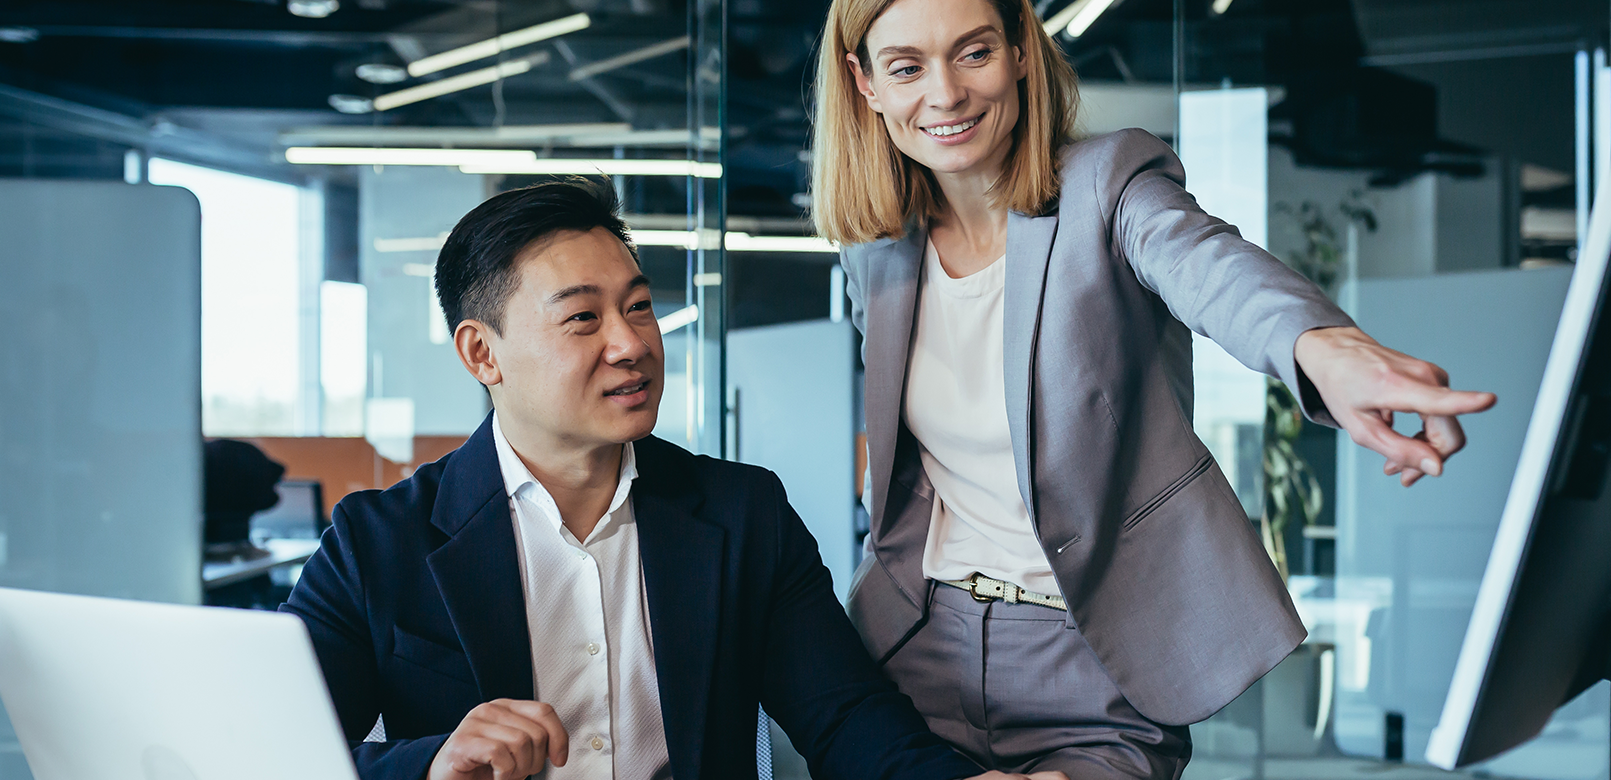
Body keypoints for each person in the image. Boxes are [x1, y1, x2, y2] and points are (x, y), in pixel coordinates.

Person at [810, 0, 1499, 776]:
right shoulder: (876, 250)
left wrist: (1323, 349)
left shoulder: (1108, 185)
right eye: (907, 66)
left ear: (1021, 53)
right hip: (914, 649)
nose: (945, 94)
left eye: (973, 53)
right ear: (863, 83)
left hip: (1092, 662)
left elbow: (1210, 269)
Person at [282, 179, 1058, 780]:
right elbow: (277, 751)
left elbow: (845, 717)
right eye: (584, 319)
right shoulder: (376, 540)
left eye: (641, 307)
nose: (631, 343)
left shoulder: (741, 513)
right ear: (483, 354)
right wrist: (428, 763)